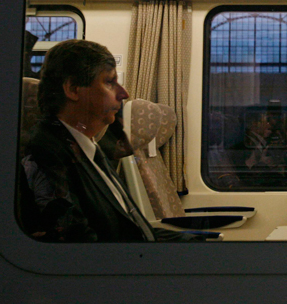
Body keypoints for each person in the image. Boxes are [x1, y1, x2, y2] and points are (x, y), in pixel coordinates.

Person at [19, 39, 202, 242]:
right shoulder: (46, 155)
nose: (124, 93)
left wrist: (195, 246)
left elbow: (132, 234)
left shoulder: (89, 149)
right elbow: (83, 252)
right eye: (109, 82)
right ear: (72, 89)